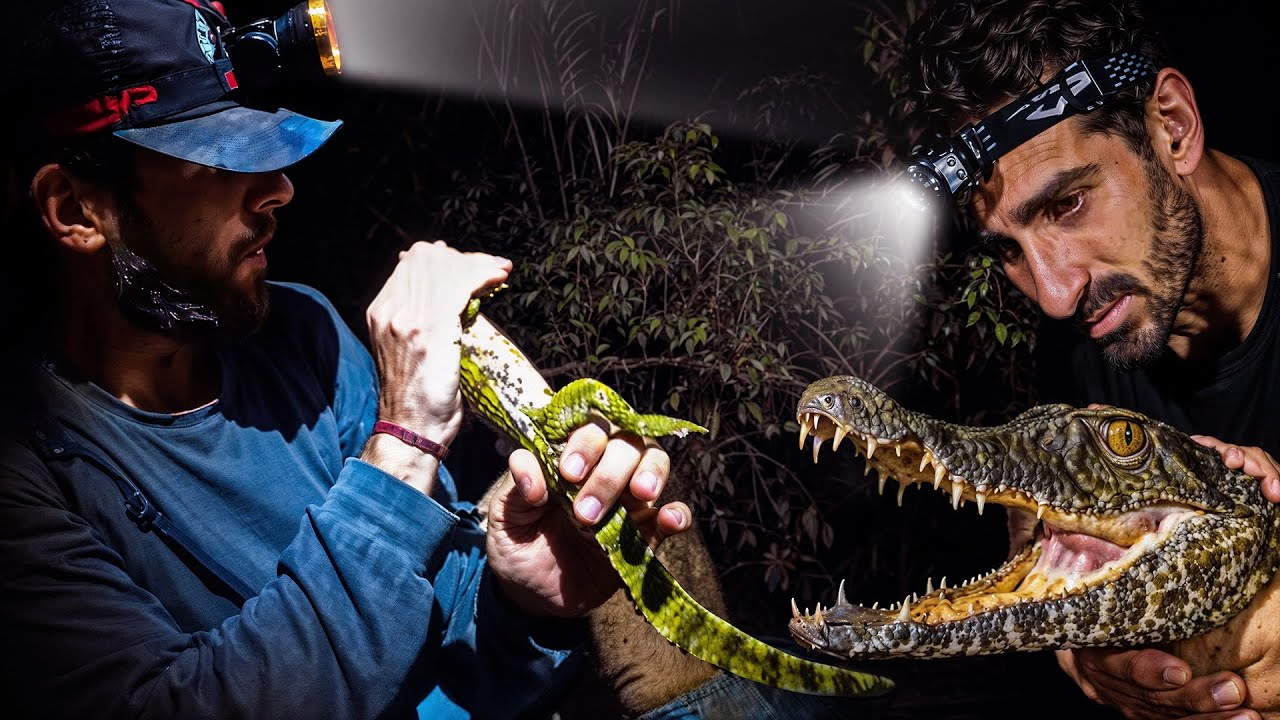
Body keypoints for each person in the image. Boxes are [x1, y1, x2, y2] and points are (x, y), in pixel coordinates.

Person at [0, 0, 693, 717]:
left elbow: (430, 613)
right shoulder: (32, 473)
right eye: (218, 161)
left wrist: (519, 600)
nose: (278, 189)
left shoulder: (302, 333)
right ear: (76, 211)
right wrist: (403, 442)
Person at [903, 1, 1280, 718]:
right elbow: (1043, 531)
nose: (1051, 293)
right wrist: (1083, 654)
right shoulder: (1083, 345)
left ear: (1171, 125)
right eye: (1009, 249)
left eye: (1069, 205)